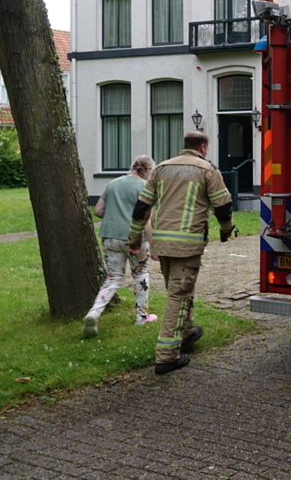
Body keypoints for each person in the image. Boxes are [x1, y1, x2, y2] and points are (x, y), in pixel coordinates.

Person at [128, 132, 234, 375]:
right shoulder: (207, 170)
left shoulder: (161, 169)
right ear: (203, 148)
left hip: (163, 244)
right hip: (187, 246)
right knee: (178, 295)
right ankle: (166, 356)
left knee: (180, 290)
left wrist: (134, 237)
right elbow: (223, 205)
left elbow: (141, 207)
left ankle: (186, 332)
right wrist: (226, 230)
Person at [83, 155, 157, 338]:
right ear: (147, 170)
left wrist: (114, 217)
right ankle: (141, 316)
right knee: (140, 275)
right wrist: (154, 244)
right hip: (135, 239)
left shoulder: (113, 184)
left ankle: (94, 312)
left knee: (113, 278)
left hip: (110, 237)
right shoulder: (145, 187)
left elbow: (98, 210)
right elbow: (146, 219)